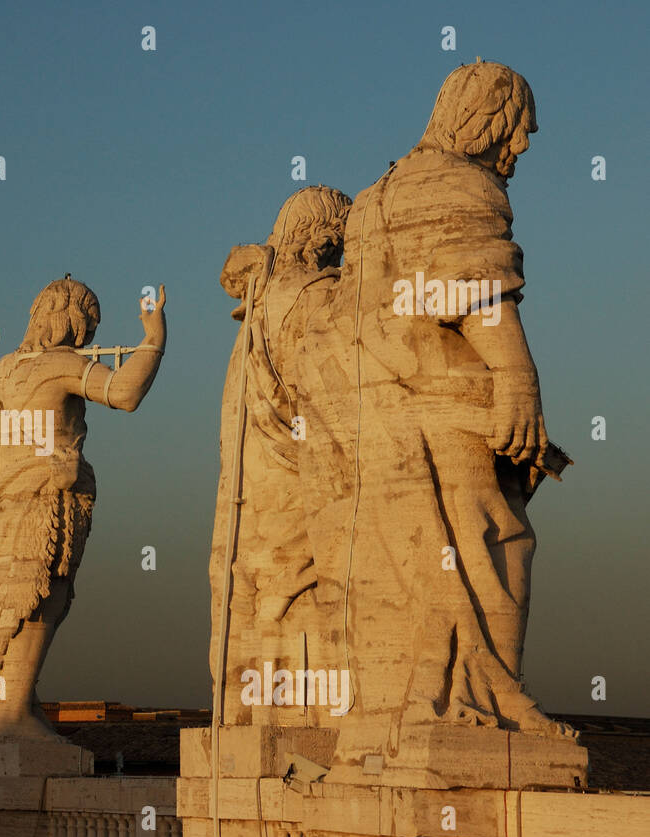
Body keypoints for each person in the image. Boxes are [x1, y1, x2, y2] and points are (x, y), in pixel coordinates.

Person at [295, 62, 572, 741]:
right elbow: (472, 294)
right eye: (518, 128)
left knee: (426, 565)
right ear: (488, 119)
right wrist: (519, 380)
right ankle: (483, 709)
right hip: (454, 406)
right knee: (496, 543)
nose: (524, 146)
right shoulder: (460, 184)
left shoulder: (374, 198)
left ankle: (426, 708)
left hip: (389, 419)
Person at [0, 276, 165, 739]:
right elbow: (124, 394)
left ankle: (13, 699)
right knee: (44, 595)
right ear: (65, 315)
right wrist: (154, 340)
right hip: (46, 500)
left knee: (13, 601)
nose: (83, 339)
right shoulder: (59, 365)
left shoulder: (1, 373)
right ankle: (11, 710)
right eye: (83, 326)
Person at [210, 187, 352, 725]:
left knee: (260, 594)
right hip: (294, 484)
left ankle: (254, 725)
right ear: (325, 240)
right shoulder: (314, 298)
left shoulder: (256, 310)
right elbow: (335, 408)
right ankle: (303, 727)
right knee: (301, 590)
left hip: (250, 492)